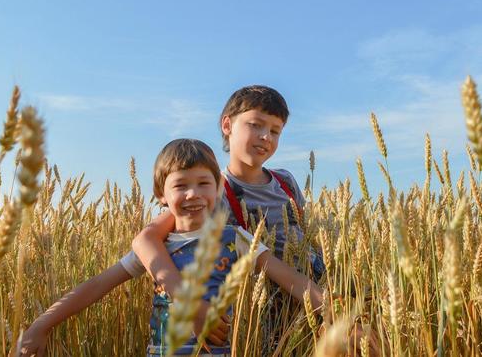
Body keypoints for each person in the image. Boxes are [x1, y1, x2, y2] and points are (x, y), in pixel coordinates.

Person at [18, 138, 323, 356]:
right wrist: (41, 326)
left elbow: (293, 281)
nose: (193, 194)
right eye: (180, 185)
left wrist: (343, 318)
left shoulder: (237, 238)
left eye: (204, 183)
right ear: (160, 194)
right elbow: (98, 285)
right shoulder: (157, 249)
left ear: (218, 188)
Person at [132, 86, 325, 345]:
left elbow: (306, 235)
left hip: (312, 296)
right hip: (265, 315)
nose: (266, 136)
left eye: (275, 131)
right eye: (256, 125)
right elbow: (146, 239)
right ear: (227, 125)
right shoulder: (210, 193)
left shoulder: (286, 181)